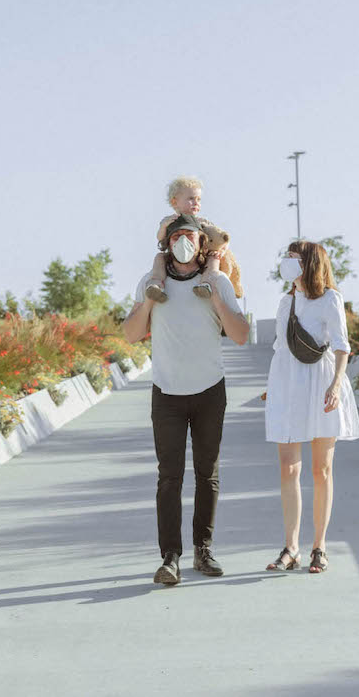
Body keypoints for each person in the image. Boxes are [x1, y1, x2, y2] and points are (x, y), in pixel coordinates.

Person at [123, 212, 250, 585]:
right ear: (167, 244)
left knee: (207, 474)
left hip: (210, 390)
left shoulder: (219, 281)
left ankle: (203, 550)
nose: (183, 241)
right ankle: (170, 557)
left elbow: (240, 335)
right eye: (176, 235)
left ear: (201, 244)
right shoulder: (151, 282)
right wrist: (148, 301)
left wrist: (215, 296)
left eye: (190, 236)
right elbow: (131, 334)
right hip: (167, 393)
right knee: (169, 478)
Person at [263, 241, 359, 574]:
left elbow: (341, 346)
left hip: (321, 386)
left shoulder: (330, 299)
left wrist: (336, 384)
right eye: (287, 256)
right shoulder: (285, 301)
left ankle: (319, 546)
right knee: (288, 468)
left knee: (322, 470)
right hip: (288, 387)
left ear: (309, 263)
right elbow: (280, 348)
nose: (287, 263)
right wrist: (272, 387)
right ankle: (291, 547)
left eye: (293, 258)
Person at [144, 176, 229, 301]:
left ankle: (206, 284)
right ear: (174, 202)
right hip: (175, 256)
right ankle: (156, 284)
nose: (196, 203)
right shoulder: (169, 220)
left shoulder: (202, 222)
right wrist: (163, 227)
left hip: (200, 256)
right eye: (191, 199)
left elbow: (221, 238)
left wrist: (221, 251)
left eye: (198, 199)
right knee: (159, 258)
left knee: (213, 260)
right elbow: (160, 238)